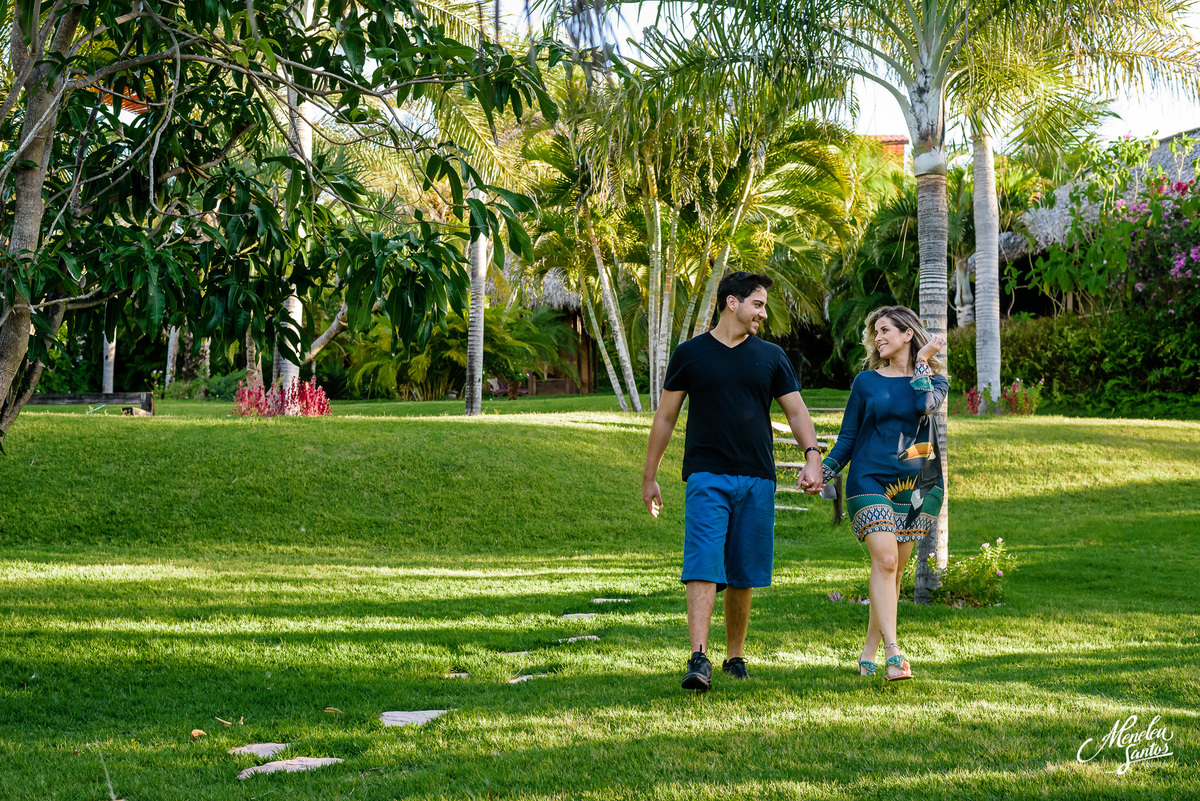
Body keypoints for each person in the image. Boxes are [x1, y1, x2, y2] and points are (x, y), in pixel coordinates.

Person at [642, 271, 824, 692]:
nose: (763, 313)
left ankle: (735, 656)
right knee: (703, 562)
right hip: (706, 475)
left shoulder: (772, 356)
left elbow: (796, 413)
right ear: (732, 303)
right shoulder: (690, 354)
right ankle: (699, 657)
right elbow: (666, 417)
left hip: (757, 477)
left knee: (742, 571)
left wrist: (812, 457)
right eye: (757, 304)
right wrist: (649, 477)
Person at [820, 306, 948, 681]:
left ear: (908, 333)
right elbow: (848, 436)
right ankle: (894, 655)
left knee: (891, 573)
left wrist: (923, 363)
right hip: (869, 480)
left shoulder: (936, 382)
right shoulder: (867, 382)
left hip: (918, 484)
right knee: (886, 562)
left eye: (885, 330)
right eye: (875, 332)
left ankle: (868, 653)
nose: (878, 338)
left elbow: (923, 406)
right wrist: (824, 470)